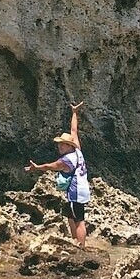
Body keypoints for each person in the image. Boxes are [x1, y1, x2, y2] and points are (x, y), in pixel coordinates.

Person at [25, 101, 90, 249]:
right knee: (70, 215)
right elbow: (74, 131)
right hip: (80, 190)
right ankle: (75, 242)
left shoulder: (67, 160)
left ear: (69, 146)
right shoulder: (77, 150)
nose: (60, 146)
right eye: (59, 144)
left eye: (63, 144)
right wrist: (74, 113)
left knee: (79, 219)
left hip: (76, 192)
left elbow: (50, 166)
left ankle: (81, 246)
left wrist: (36, 168)